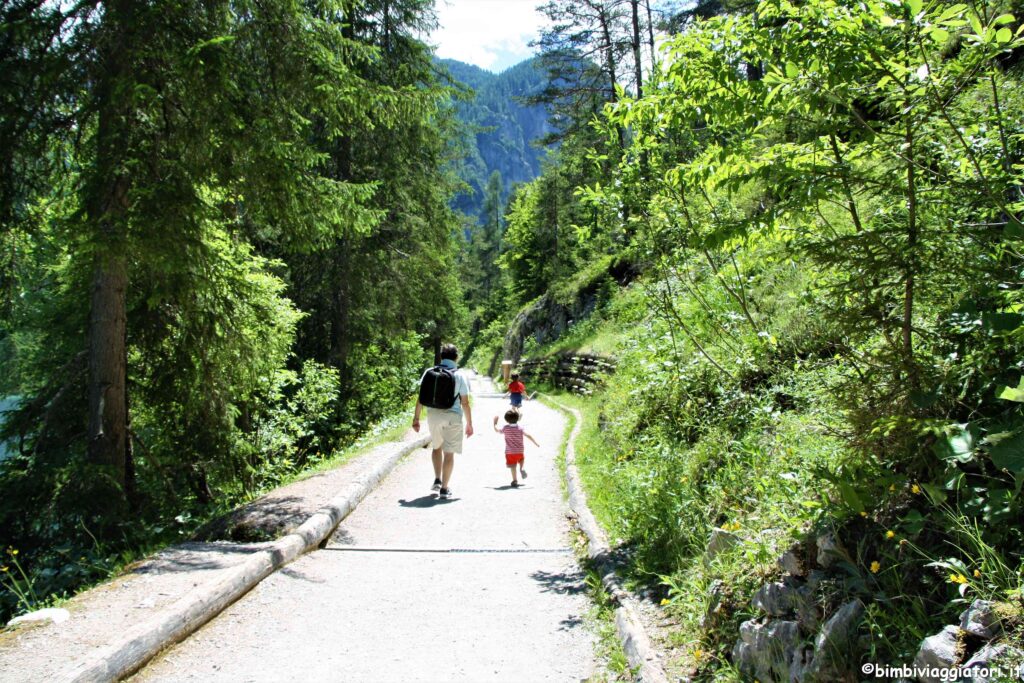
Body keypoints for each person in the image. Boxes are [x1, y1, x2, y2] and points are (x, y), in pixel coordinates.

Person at [412, 344, 473, 499]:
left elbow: (421, 397)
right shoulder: (459, 375)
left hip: (433, 416)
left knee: (436, 447)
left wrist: (416, 418)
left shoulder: (429, 372)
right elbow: (465, 402)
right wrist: (469, 423)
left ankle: (437, 479)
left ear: (441, 356)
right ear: (456, 357)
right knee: (449, 453)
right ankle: (445, 489)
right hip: (453, 416)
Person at [492, 409, 538, 488]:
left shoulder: (505, 428)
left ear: (506, 420)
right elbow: (528, 435)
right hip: (520, 450)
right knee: (521, 459)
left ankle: (515, 480)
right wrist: (535, 443)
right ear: (517, 418)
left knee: (513, 466)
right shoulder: (520, 428)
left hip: (509, 452)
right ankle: (522, 468)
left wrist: (495, 423)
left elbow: (497, 430)